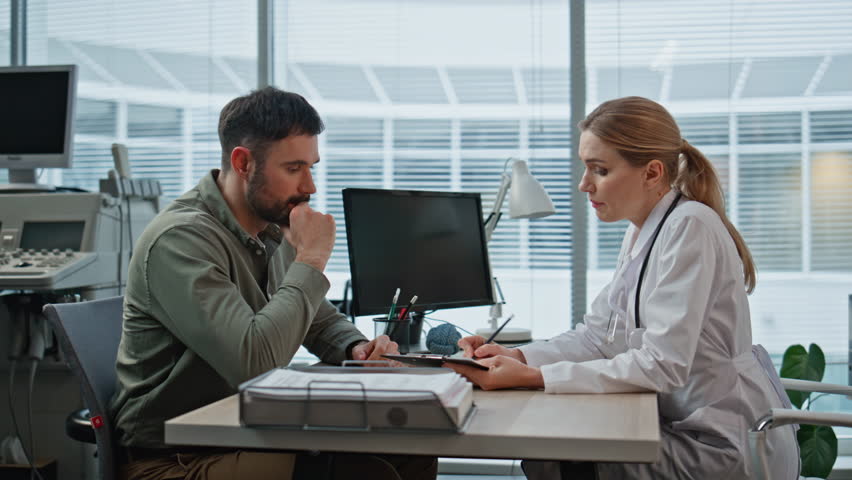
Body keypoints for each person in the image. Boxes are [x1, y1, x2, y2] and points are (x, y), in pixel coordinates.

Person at [447, 96, 799, 479]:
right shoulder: (642, 231)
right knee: (552, 452)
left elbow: (663, 365)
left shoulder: (689, 226)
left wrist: (535, 377)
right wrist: (519, 357)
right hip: (682, 422)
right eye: (585, 168)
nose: (584, 184)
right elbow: (598, 338)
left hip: (721, 444)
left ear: (652, 173)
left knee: (557, 457)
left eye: (599, 170)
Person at [109, 87, 437, 480]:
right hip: (177, 459)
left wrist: (357, 348)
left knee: (413, 447)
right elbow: (256, 364)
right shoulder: (180, 240)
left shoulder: (269, 228)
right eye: (294, 169)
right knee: (365, 473)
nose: (310, 187)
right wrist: (311, 259)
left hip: (249, 432)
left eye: (311, 167)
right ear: (243, 163)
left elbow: (315, 319)